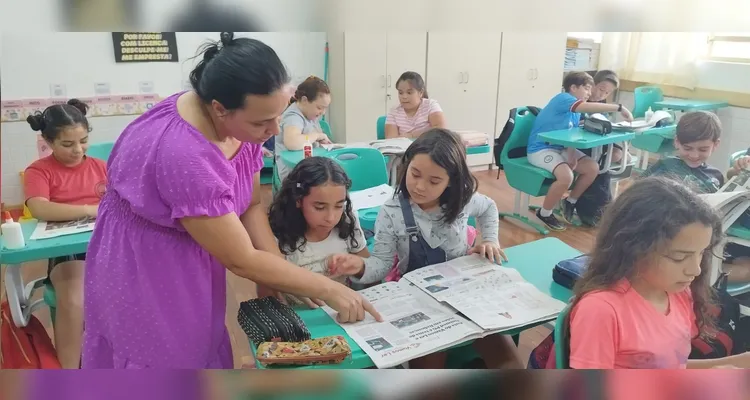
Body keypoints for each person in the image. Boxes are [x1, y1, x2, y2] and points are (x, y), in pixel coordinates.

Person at [81, 32, 380, 369]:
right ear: (220, 109)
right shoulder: (184, 154)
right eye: (263, 121)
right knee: (166, 359)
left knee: (201, 344)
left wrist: (281, 270)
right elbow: (240, 258)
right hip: (148, 265)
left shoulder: (241, 123)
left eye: (279, 114)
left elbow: (251, 204)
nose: (274, 129)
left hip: (192, 253)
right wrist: (329, 289)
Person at [329, 128, 522, 369]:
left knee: (507, 360)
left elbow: (489, 208)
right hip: (419, 299)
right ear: (406, 166)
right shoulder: (392, 212)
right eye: (415, 174)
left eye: (434, 181)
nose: (420, 187)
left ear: (452, 180)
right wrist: (359, 267)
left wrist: (491, 239)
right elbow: (381, 265)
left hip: (465, 291)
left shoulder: (462, 200)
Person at [568, 177, 750, 369]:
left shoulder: (679, 293)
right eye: (679, 257)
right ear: (634, 249)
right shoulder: (601, 311)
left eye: (702, 253)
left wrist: (733, 363)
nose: (695, 270)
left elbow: (669, 366)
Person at [23, 99, 104, 369]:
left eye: (83, 141)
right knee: (72, 298)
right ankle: (68, 376)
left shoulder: (101, 167)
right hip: (67, 254)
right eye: (67, 145)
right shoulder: (40, 170)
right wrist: (87, 209)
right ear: (48, 140)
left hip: (107, 249)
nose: (78, 150)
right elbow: (38, 207)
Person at [642, 111, 750, 283]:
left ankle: (705, 278)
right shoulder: (664, 167)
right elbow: (637, 196)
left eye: (703, 149)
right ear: (677, 141)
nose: (694, 155)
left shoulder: (714, 175)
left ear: (716, 145)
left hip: (705, 241)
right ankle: (702, 279)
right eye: (687, 148)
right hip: (668, 240)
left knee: (745, 266)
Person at [527, 71, 633, 232]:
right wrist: (619, 107)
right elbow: (585, 107)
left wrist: (571, 156)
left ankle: (570, 201)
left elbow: (570, 135)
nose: (590, 93)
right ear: (573, 87)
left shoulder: (575, 113)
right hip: (541, 149)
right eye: (587, 88)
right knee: (566, 177)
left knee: (593, 168)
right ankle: (545, 212)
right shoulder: (563, 99)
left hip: (560, 148)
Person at [267, 156, 369, 306]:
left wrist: (356, 265)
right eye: (320, 207)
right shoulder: (276, 232)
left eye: (339, 205)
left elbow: (368, 268)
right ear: (298, 200)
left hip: (341, 309)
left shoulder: (347, 220)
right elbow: (267, 293)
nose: (331, 217)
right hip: (297, 316)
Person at [274, 76, 332, 183]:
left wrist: (320, 140)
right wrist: (317, 136)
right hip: (293, 172)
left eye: (325, 108)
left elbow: (309, 137)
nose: (323, 112)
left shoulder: (309, 114)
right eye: (319, 107)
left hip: (307, 166)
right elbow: (292, 142)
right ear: (305, 100)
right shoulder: (293, 116)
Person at [384, 71, 446, 139]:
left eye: (409, 92)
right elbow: (391, 140)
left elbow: (441, 129)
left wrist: (411, 135)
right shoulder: (394, 112)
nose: (404, 97)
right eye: (400, 93)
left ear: (421, 92)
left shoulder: (430, 105)